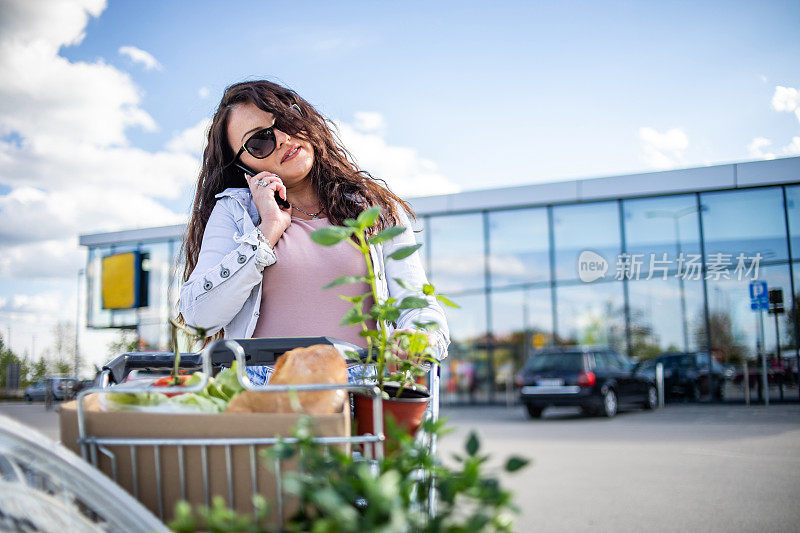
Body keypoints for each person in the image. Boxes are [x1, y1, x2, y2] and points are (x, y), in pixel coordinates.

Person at [176, 80, 450, 376]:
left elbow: (419, 307)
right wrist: (267, 232)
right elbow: (199, 317)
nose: (282, 138)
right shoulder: (234, 211)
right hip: (264, 397)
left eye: (286, 119)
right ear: (243, 166)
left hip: (362, 392)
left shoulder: (375, 209)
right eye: (259, 141)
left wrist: (417, 337)